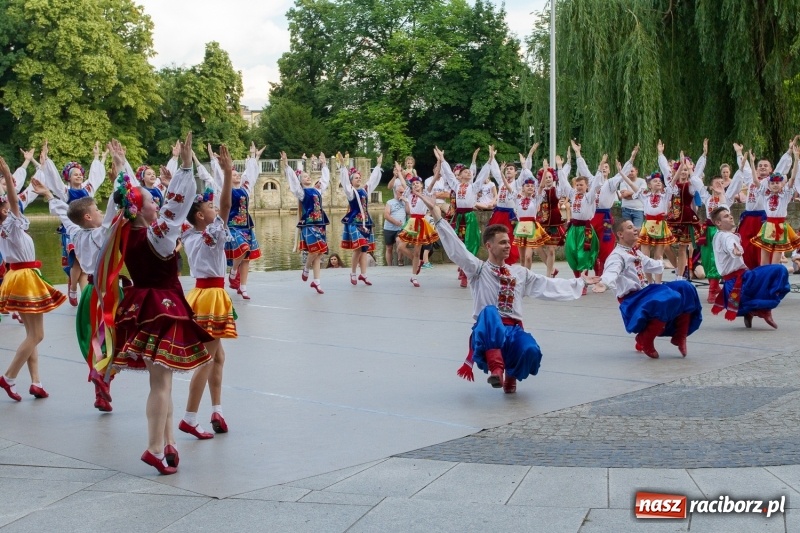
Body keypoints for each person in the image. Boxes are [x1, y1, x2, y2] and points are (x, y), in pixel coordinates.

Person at [96, 132, 213, 475]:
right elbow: (175, 207)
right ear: (143, 209)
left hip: (139, 307)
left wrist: (122, 166)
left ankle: (170, 444)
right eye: (151, 200)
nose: (156, 202)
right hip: (161, 306)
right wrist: (187, 165)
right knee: (161, 383)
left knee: (159, 382)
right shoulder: (156, 235)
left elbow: (132, 194)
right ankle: (153, 448)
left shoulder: (125, 231)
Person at [416, 192, 594, 393]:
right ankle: (496, 369)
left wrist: (580, 283)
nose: (508, 246)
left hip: (513, 330)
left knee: (531, 350)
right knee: (490, 313)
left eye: (509, 242)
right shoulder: (478, 269)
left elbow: (548, 285)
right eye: (502, 242)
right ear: (488, 246)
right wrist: (437, 215)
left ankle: (512, 375)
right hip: (487, 334)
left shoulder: (520, 273)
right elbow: (457, 249)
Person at [32, 148, 121, 411]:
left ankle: (100, 386)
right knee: (113, 338)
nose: (101, 211)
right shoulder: (99, 233)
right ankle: (102, 379)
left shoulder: (75, 231)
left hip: (91, 292)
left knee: (99, 339)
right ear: (89, 217)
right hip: (107, 293)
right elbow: (116, 205)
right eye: (97, 209)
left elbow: (63, 213)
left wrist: (49, 195)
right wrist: (119, 172)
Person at [180, 144, 237, 439]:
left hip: (199, 295)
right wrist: (227, 174)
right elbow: (226, 207)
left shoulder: (189, 233)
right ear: (201, 216)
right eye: (209, 209)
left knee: (218, 356)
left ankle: (217, 410)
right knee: (206, 358)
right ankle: (190, 416)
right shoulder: (211, 234)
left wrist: (183, 166)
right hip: (212, 297)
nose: (214, 211)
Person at [0, 156, 67, 402]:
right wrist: (7, 174)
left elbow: (18, 199)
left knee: (31, 334)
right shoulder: (14, 223)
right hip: (25, 277)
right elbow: (15, 199)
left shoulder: (7, 225)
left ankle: (36, 382)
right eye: (6, 207)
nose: (11, 207)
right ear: (5, 211)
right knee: (37, 335)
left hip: (16, 275)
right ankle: (8, 376)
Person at [593, 219, 702, 359]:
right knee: (669, 297)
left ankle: (679, 336)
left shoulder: (634, 252)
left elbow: (650, 264)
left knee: (686, 288)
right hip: (632, 299)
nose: (635, 230)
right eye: (630, 228)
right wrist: (604, 283)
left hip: (645, 292)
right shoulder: (617, 257)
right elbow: (611, 272)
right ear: (620, 234)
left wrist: (664, 260)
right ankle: (646, 338)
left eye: (634, 227)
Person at [40, 141, 107, 306]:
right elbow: (54, 181)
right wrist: (47, 160)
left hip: (88, 230)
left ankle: (77, 288)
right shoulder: (65, 192)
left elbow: (96, 177)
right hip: (72, 230)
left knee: (83, 261)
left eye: (80, 173)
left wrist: (97, 157)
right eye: (75, 174)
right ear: (68, 177)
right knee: (76, 259)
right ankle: (72, 288)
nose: (79, 176)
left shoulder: (87, 189)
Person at [709, 206, 790, 328]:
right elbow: (730, 244)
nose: (730, 216)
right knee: (779, 270)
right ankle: (763, 309)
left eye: (730, 214)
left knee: (765, 275)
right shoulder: (726, 237)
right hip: (740, 284)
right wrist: (735, 250)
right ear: (718, 223)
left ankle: (751, 310)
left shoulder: (719, 235)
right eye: (726, 216)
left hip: (733, 285)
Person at [434, 146, 494, 287]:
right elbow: (448, 174)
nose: (468, 174)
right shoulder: (456, 185)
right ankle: (463, 269)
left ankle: (466, 271)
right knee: (458, 242)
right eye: (465, 172)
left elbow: (483, 175)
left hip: (469, 217)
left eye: (469, 172)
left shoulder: (474, 187)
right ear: (460, 176)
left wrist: (490, 160)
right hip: (459, 217)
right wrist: (442, 159)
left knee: (471, 243)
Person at [735, 140, 794, 269]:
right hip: (748, 217)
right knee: (745, 244)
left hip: (763, 219)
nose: (762, 167)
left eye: (765, 166)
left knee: (764, 247)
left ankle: (766, 271)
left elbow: (782, 166)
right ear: (756, 168)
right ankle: (748, 271)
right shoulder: (751, 178)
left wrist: (789, 151)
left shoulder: (771, 182)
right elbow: (744, 167)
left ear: (771, 169)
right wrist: (739, 152)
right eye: (760, 165)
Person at [693, 153, 744, 303]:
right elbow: (695, 179)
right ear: (710, 186)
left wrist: (742, 164)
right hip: (709, 231)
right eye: (716, 183)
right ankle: (713, 288)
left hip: (723, 232)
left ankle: (720, 288)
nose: (719, 185)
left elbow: (738, 181)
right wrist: (703, 156)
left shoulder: (727, 198)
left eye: (721, 183)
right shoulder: (706, 197)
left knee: (721, 259)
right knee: (709, 260)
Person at [658, 139, 708, 281]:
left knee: (682, 247)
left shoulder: (691, 185)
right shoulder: (671, 183)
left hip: (685, 218)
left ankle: (680, 277)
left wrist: (703, 155)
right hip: (672, 218)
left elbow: (697, 172)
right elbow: (664, 168)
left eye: (686, 169)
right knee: (666, 245)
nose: (684, 172)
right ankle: (679, 269)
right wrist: (661, 154)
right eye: (681, 169)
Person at [282, 151, 331, 294]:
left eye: (308, 176)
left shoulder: (317, 189)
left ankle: (317, 282)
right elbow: (292, 181)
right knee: (314, 250)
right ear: (300, 181)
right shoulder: (302, 192)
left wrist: (324, 164)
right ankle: (306, 268)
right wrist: (286, 165)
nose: (308, 177)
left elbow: (325, 179)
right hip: (309, 223)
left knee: (320, 253)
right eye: (304, 176)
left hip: (320, 223)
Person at [748, 147, 800, 265]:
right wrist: (752, 162)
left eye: (778, 183)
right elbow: (756, 181)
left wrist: (796, 159)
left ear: (782, 184)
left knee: (776, 257)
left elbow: (792, 178)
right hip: (768, 226)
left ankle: (775, 278)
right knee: (764, 256)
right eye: (772, 183)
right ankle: (764, 278)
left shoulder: (785, 194)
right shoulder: (766, 194)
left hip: (781, 226)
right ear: (769, 184)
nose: (775, 185)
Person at [338, 152, 383, 286]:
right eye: (356, 178)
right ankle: (353, 272)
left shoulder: (364, 190)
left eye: (359, 177)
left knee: (364, 248)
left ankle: (363, 274)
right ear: (351, 180)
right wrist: (342, 165)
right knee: (359, 247)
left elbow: (373, 180)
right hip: (354, 221)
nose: (358, 179)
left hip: (365, 222)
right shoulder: (351, 192)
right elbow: (345, 182)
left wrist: (378, 165)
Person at [396, 167, 439, 287]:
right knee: (400, 246)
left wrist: (439, 166)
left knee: (416, 251)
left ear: (421, 185)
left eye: (417, 183)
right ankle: (419, 262)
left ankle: (414, 276)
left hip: (420, 221)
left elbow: (433, 181)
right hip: (411, 221)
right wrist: (399, 172)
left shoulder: (425, 193)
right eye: (414, 183)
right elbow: (405, 184)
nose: (415, 185)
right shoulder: (409, 195)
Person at [383, 175, 408, 267]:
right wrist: (395, 222)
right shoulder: (390, 202)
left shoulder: (405, 201)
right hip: (389, 228)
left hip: (400, 228)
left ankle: (400, 260)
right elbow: (386, 215)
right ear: (396, 192)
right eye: (400, 192)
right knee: (389, 247)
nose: (402, 194)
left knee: (399, 241)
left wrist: (406, 202)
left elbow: (409, 212)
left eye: (403, 192)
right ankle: (389, 265)